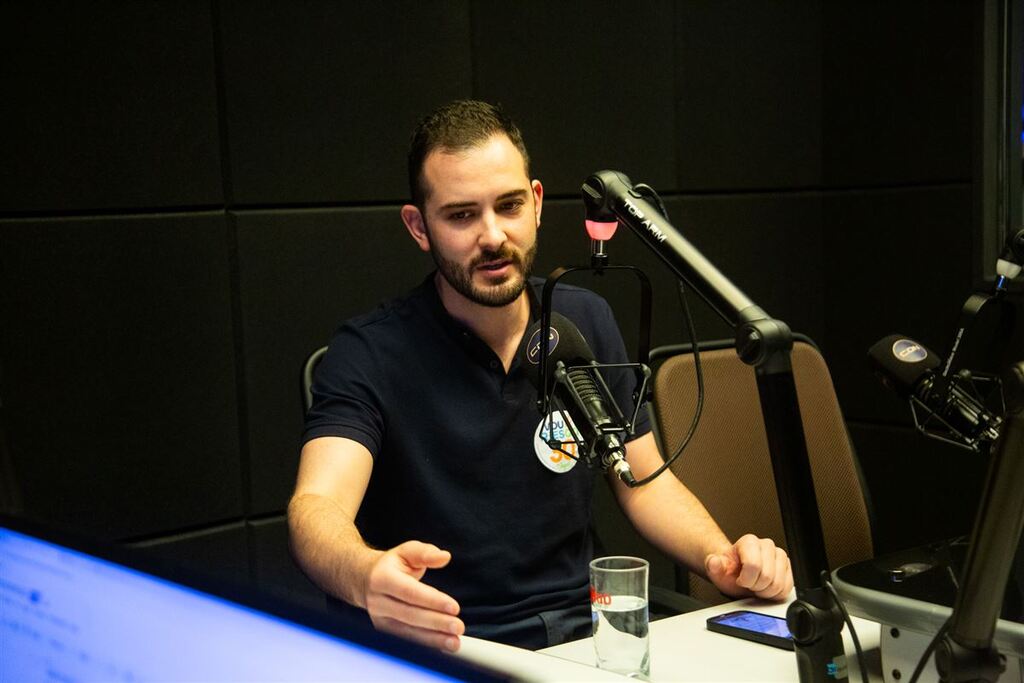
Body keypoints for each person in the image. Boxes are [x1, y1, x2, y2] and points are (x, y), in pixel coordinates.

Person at [288, 99, 794, 654]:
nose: (492, 236)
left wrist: (721, 560)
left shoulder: (585, 320)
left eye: (508, 207)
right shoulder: (369, 351)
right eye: (461, 215)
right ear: (419, 227)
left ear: (536, 203)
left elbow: (645, 482)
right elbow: (316, 508)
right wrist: (364, 574)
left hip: (585, 641)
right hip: (452, 646)